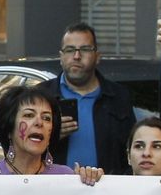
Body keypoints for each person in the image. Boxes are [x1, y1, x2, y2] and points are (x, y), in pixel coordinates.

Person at [35, 22, 134, 175]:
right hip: (54, 190)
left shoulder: (118, 96)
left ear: (97, 56)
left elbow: (132, 149)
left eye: (85, 49)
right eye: (70, 50)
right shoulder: (41, 96)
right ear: (61, 57)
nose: (76, 56)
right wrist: (51, 136)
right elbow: (19, 147)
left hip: (106, 190)